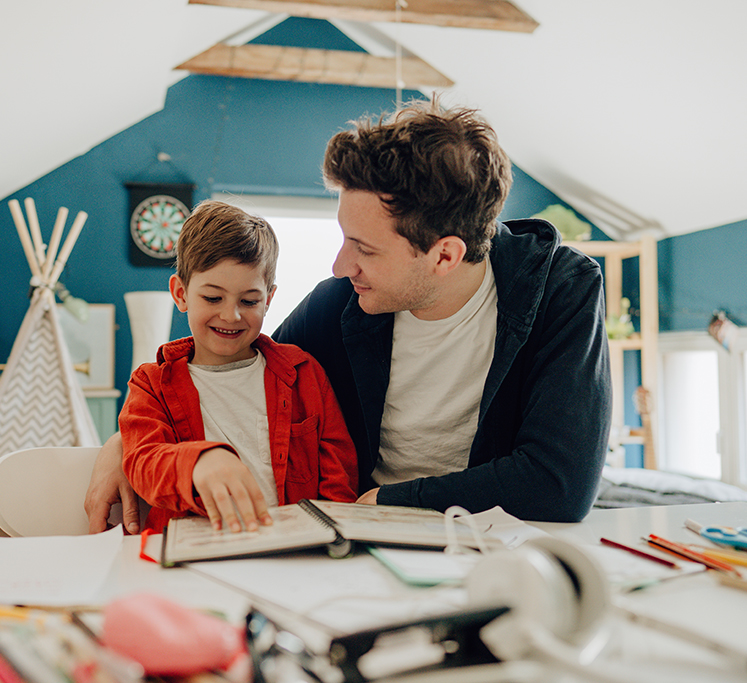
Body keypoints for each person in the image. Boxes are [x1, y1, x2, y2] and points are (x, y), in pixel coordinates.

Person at [86, 99, 611, 534]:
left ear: (444, 255)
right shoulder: (339, 302)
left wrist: (386, 502)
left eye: (364, 248)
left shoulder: (562, 292)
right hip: (354, 540)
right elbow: (243, 370)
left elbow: (558, 485)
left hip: (483, 543)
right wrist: (127, 441)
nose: (341, 266)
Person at [117, 200, 357, 533]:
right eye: (213, 298)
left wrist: (332, 541)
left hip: (293, 554)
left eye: (249, 301)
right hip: (194, 558)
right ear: (181, 293)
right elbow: (143, 463)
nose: (231, 315)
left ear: (269, 299)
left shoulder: (304, 373)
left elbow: (339, 479)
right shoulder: (150, 384)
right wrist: (199, 461)